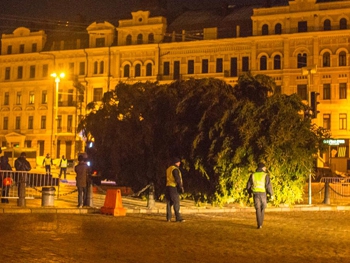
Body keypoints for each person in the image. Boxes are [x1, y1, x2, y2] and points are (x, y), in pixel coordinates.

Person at [246, 163, 274, 229]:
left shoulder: (253, 175)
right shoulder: (265, 175)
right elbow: (268, 186)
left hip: (255, 194)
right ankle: (261, 223)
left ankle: (259, 225)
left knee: (258, 208)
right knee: (263, 208)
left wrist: (249, 193)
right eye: (265, 168)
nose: (265, 169)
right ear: (262, 168)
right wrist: (271, 194)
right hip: (263, 194)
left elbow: (248, 186)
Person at [165, 157, 185, 222]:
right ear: (176, 162)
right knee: (176, 202)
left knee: (169, 203)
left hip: (167, 186)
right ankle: (178, 218)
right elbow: (177, 179)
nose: (179, 163)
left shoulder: (168, 169)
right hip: (173, 187)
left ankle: (168, 218)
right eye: (179, 162)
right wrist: (181, 187)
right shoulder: (175, 169)